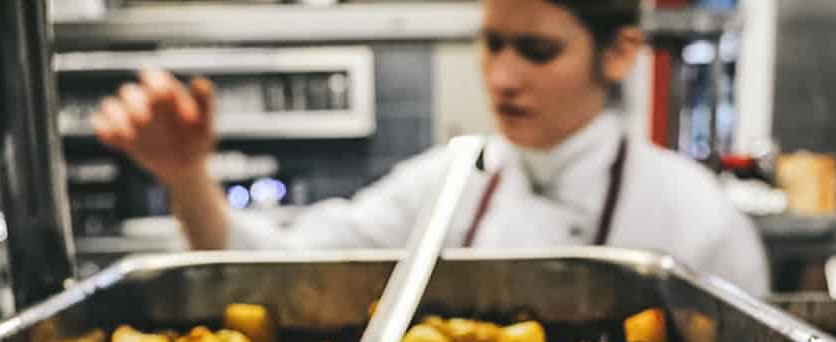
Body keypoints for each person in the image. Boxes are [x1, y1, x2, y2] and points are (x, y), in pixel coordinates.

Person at [93, 0, 770, 294]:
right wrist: (187, 179)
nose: (502, 77)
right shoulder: (453, 178)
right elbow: (282, 267)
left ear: (620, 52)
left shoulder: (700, 221)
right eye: (492, 43)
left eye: (536, 51)